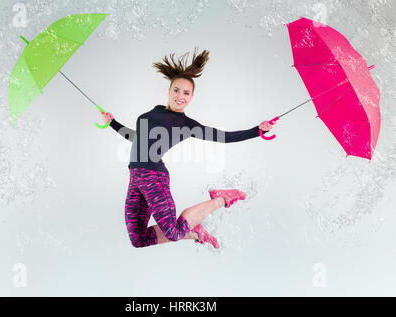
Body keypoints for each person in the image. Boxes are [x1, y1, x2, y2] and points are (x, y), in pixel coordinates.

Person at [100, 48, 273, 249]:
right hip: (136, 178)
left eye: (186, 93)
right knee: (138, 239)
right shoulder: (153, 112)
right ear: (169, 90)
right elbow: (138, 138)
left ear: (191, 97)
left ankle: (222, 199)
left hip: (154, 176)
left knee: (173, 231)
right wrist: (112, 123)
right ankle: (196, 233)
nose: (180, 96)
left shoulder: (187, 125)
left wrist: (257, 131)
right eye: (176, 90)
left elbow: (223, 136)